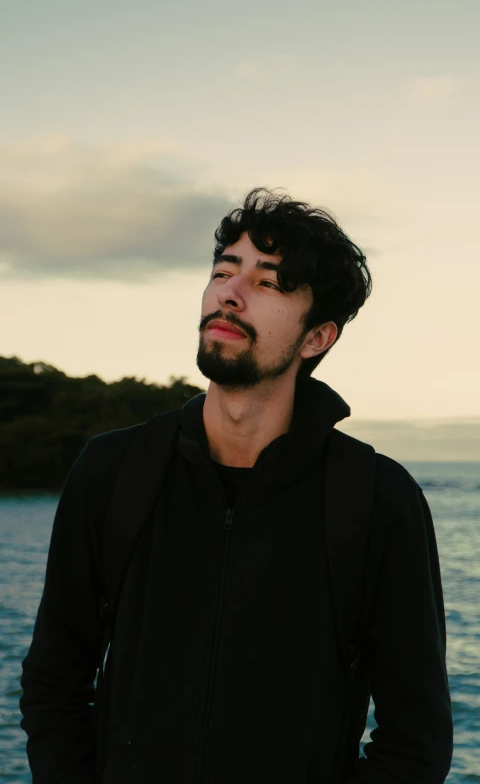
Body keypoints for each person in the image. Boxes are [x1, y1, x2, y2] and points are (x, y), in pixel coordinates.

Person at [20, 187, 453, 784]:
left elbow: (417, 738)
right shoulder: (115, 470)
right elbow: (54, 682)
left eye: (267, 282)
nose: (230, 292)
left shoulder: (378, 499)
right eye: (224, 271)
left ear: (316, 338)